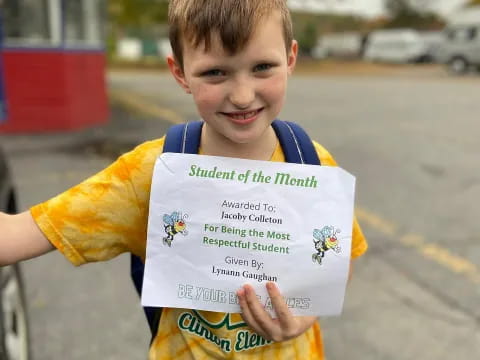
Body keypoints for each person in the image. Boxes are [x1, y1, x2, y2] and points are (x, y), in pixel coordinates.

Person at [0, 0, 368, 358]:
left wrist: (308, 314)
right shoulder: (149, 173)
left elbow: (339, 256)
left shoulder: (312, 162)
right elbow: (19, 234)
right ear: (180, 73)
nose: (242, 96)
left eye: (262, 67)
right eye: (215, 72)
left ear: (290, 59)